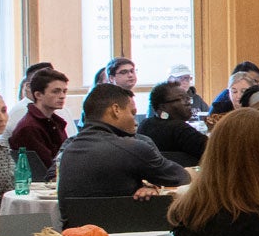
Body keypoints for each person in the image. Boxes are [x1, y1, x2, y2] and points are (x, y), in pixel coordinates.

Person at [55, 82, 191, 200]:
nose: (135, 120)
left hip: (74, 223)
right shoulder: (132, 148)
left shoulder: (68, 150)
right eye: (132, 113)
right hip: (127, 222)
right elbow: (182, 178)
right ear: (116, 110)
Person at [9, 67, 71, 179]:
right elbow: (47, 168)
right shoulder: (29, 127)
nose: (62, 96)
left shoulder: (55, 122)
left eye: (64, 91)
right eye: (56, 91)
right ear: (38, 95)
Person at [131, 80, 207, 170]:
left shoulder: (145, 124)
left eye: (188, 98)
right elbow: (214, 150)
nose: (188, 103)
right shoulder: (179, 128)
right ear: (163, 106)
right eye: (181, 99)